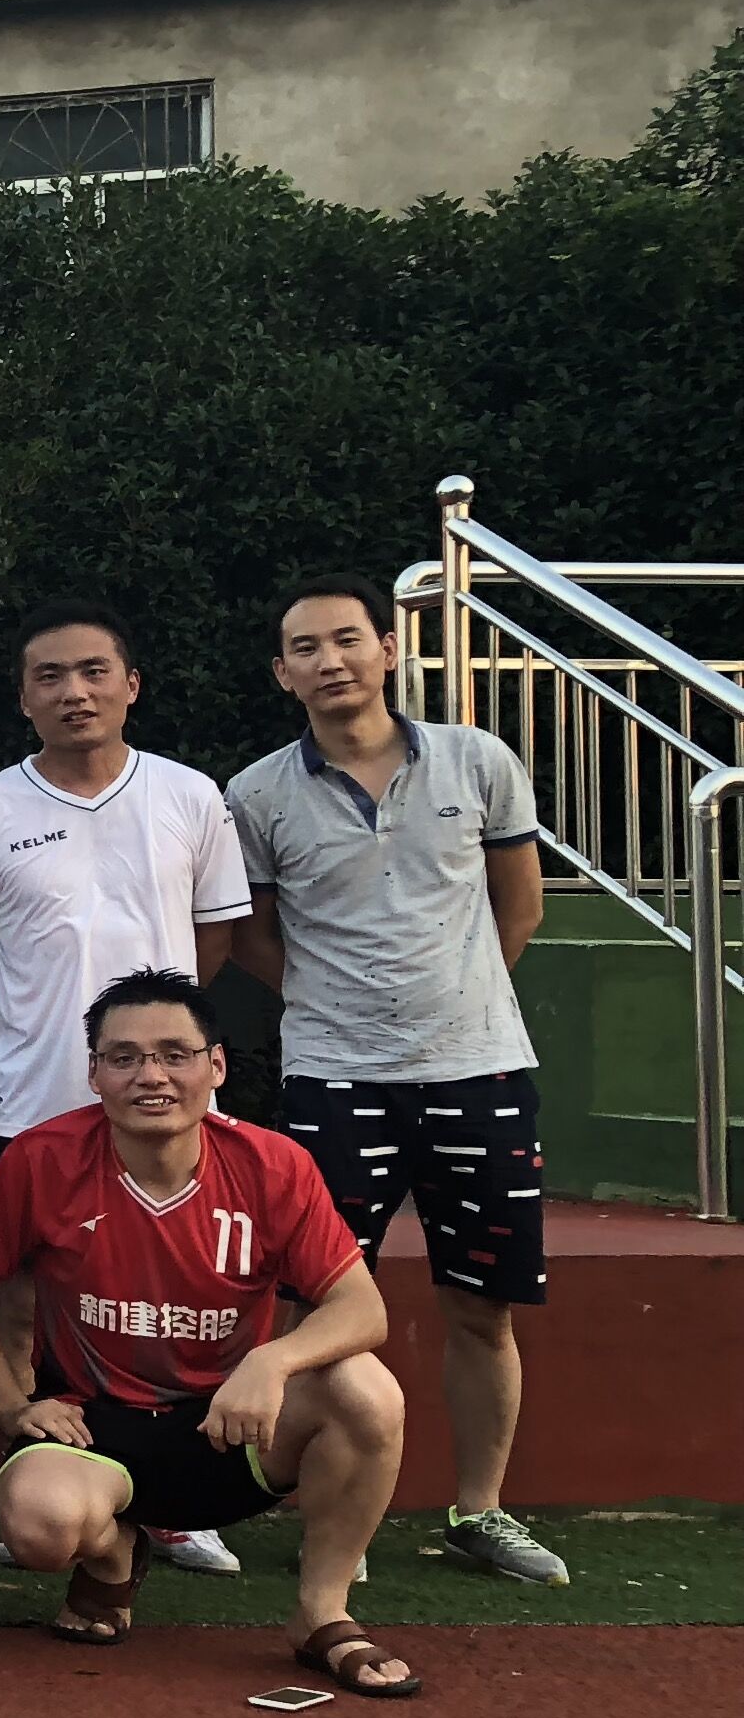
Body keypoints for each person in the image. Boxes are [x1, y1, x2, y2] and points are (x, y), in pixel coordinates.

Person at [228, 576, 565, 1586]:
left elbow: (519, 908)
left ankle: (481, 1511)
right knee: (319, 1310)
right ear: (281, 672)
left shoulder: (478, 760)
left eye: (347, 639)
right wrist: (339, 1003)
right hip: (334, 1081)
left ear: (387, 649)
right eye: (304, 647)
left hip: (480, 1071)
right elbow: (251, 937)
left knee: (482, 1307)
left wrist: (452, 1000)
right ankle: (333, 1510)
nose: (328, 661)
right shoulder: (256, 794)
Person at [0, 969, 421, 1696]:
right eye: (124, 1057)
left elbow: (362, 1311)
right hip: (92, 1428)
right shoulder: (42, 1159)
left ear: (216, 1067)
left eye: (175, 1055)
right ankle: (113, 1560)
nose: (151, 1076)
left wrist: (272, 1362)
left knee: (367, 1390)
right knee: (38, 1525)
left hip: (229, 1425)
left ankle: (322, 1614)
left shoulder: (273, 1165)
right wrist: (11, 1403)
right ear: (94, 1073)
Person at [0, 599, 252, 1572]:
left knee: (170, 1288)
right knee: (18, 1296)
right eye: (50, 676)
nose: (73, 692)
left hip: (166, 1099)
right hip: (37, 1092)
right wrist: (53, 1021)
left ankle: (175, 1497)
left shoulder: (190, 795)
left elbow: (213, 940)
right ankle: (34, 1474)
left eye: (93, 672)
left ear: (131, 685)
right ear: (23, 698)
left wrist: (154, 1047)